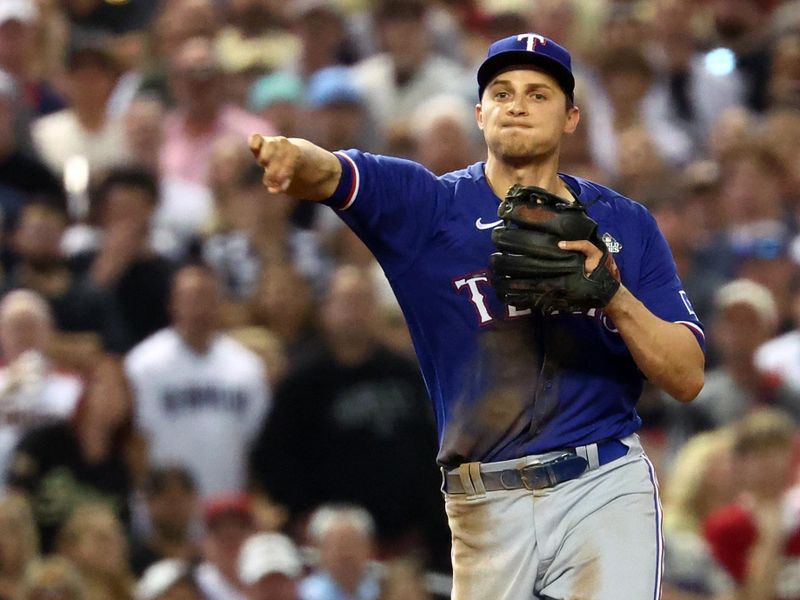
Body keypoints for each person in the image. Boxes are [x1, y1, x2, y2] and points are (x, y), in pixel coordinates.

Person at [249, 31, 705, 599]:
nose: (517, 103)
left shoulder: (626, 225)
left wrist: (613, 297)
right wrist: (292, 155)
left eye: (539, 94)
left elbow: (686, 376)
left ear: (571, 118)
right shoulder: (429, 209)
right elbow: (335, 174)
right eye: (502, 91)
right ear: (480, 113)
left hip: (602, 484)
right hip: (484, 503)